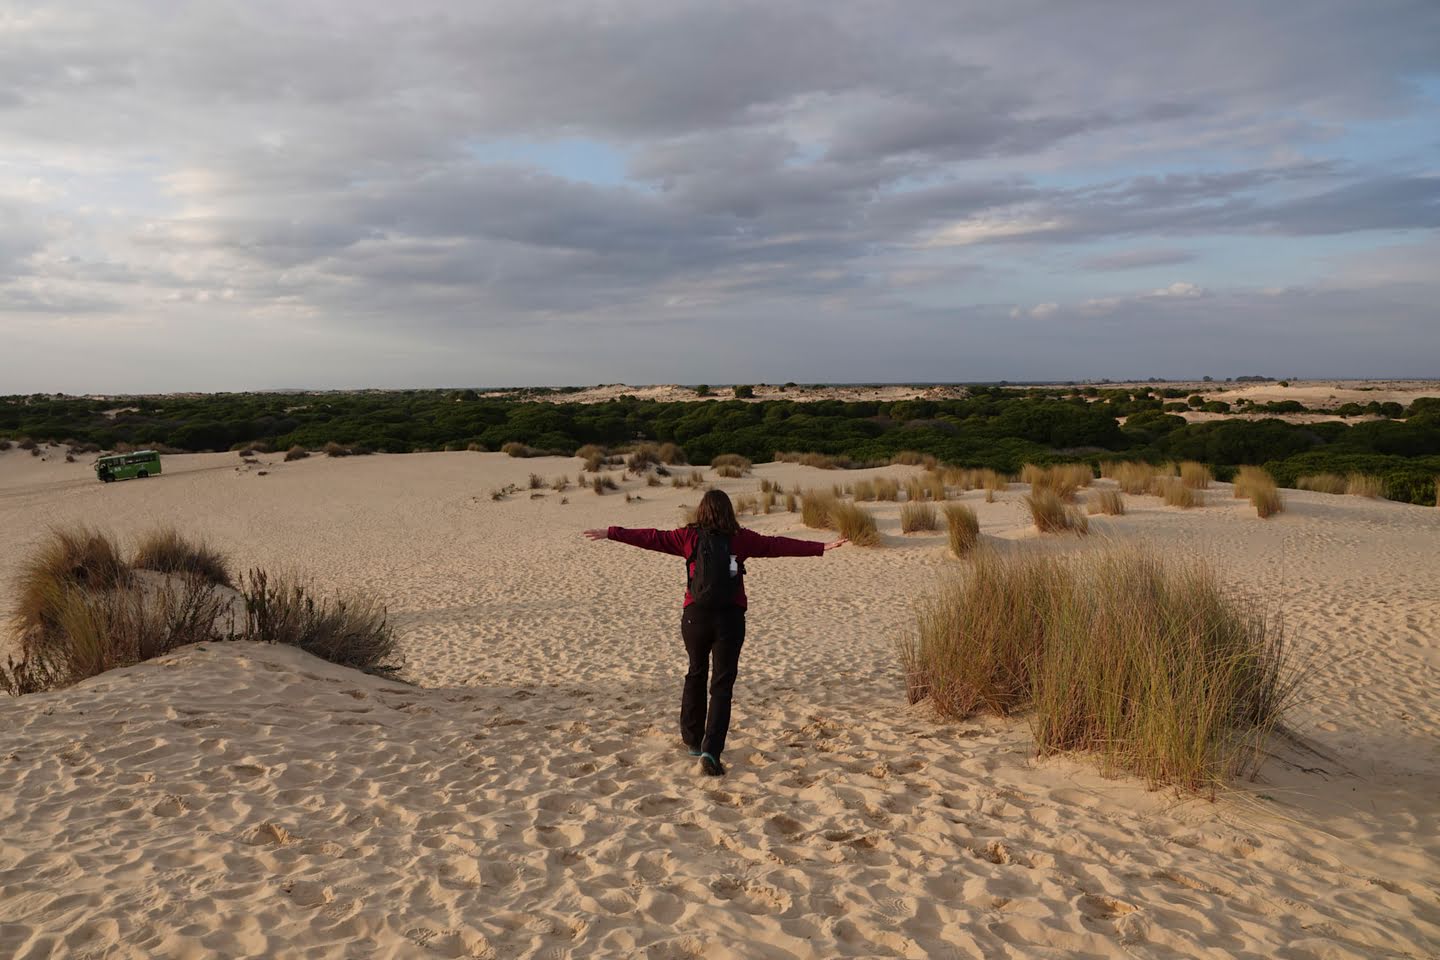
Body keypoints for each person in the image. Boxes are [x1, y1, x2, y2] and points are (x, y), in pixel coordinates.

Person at [583, 489, 846, 776]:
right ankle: (711, 751)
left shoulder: (688, 537)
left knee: (695, 672)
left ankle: (693, 741)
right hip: (730, 619)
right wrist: (821, 547)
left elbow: (651, 537)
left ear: (702, 510)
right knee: (722, 685)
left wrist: (611, 532)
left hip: (695, 616)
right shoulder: (740, 538)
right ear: (728, 511)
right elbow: (776, 545)